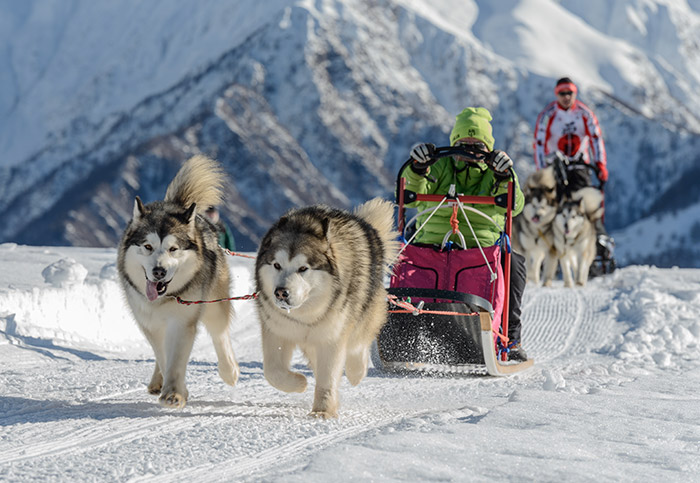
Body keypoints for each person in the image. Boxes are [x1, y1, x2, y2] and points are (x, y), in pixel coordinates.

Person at [402, 107, 528, 361]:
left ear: (487, 147)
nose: (469, 150)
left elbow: (514, 205)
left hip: (479, 249)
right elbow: (410, 195)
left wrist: (505, 176)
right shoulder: (439, 166)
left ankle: (510, 338)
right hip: (431, 245)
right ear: (454, 143)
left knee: (513, 263)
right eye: (463, 143)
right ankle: (398, 327)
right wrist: (418, 168)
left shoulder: (495, 172)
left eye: (476, 144)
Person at [533, 76, 613, 262]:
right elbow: (538, 143)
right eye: (562, 93)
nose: (566, 97)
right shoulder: (548, 116)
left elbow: (595, 138)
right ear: (557, 94)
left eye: (569, 93)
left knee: (584, 203)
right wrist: (541, 170)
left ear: (575, 93)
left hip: (580, 165)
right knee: (553, 204)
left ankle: (595, 243)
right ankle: (549, 249)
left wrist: (600, 164)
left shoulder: (584, 114)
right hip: (555, 166)